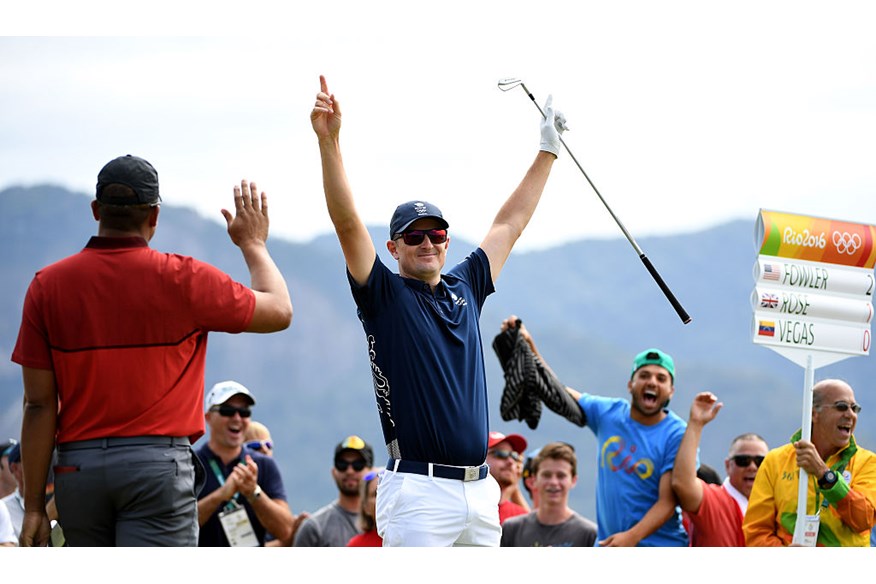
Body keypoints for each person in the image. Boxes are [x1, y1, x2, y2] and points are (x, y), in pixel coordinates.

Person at [310, 74, 565, 547]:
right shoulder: (383, 295)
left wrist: (547, 152)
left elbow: (509, 224)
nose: (427, 242)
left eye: (436, 234)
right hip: (417, 490)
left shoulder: (465, 283)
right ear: (393, 247)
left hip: (480, 489)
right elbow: (346, 222)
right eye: (413, 236)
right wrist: (330, 143)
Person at [10, 155, 293, 547]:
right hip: (157, 470)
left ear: (96, 210)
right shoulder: (185, 278)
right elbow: (278, 310)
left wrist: (36, 509)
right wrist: (253, 244)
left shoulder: (47, 286)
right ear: (154, 216)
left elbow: (38, 406)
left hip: (78, 470)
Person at [501, 316, 688, 547]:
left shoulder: (676, 433)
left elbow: (668, 501)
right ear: (631, 384)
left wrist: (631, 538)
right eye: (644, 375)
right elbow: (558, 392)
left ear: (671, 391)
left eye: (661, 378)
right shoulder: (610, 413)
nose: (652, 382)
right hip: (611, 545)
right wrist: (530, 347)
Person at [744, 379, 876, 546]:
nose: (850, 414)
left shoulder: (869, 462)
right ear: (814, 413)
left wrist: (825, 475)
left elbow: (864, 520)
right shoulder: (775, 461)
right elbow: (756, 532)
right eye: (841, 406)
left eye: (854, 408)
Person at [195, 381, 293, 547]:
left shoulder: (264, 465)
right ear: (208, 417)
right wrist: (220, 496)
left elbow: (285, 530)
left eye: (244, 412)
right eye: (228, 411)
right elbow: (174, 525)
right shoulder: (190, 464)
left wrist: (254, 493)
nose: (237, 418)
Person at [672, 391, 769, 546]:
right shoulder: (714, 501)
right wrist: (696, 424)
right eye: (743, 460)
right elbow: (682, 483)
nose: (752, 467)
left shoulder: (774, 508)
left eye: (760, 461)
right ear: (727, 466)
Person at [501, 442, 597, 547]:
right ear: (534, 480)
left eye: (561, 476)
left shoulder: (589, 534)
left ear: (573, 480)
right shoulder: (512, 529)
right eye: (546, 475)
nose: (553, 482)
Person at [294, 435, 374, 547]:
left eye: (358, 465)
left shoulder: (384, 526)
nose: (350, 471)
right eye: (342, 464)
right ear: (333, 472)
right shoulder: (315, 528)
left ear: (372, 473)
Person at [487, 431, 530, 524]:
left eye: (514, 456)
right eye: (501, 454)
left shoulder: (520, 516)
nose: (510, 461)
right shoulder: (464, 507)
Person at [347, 468, 383, 547]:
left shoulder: (413, 537)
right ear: (365, 506)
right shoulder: (356, 546)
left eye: (386, 491)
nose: (383, 498)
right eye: (376, 494)